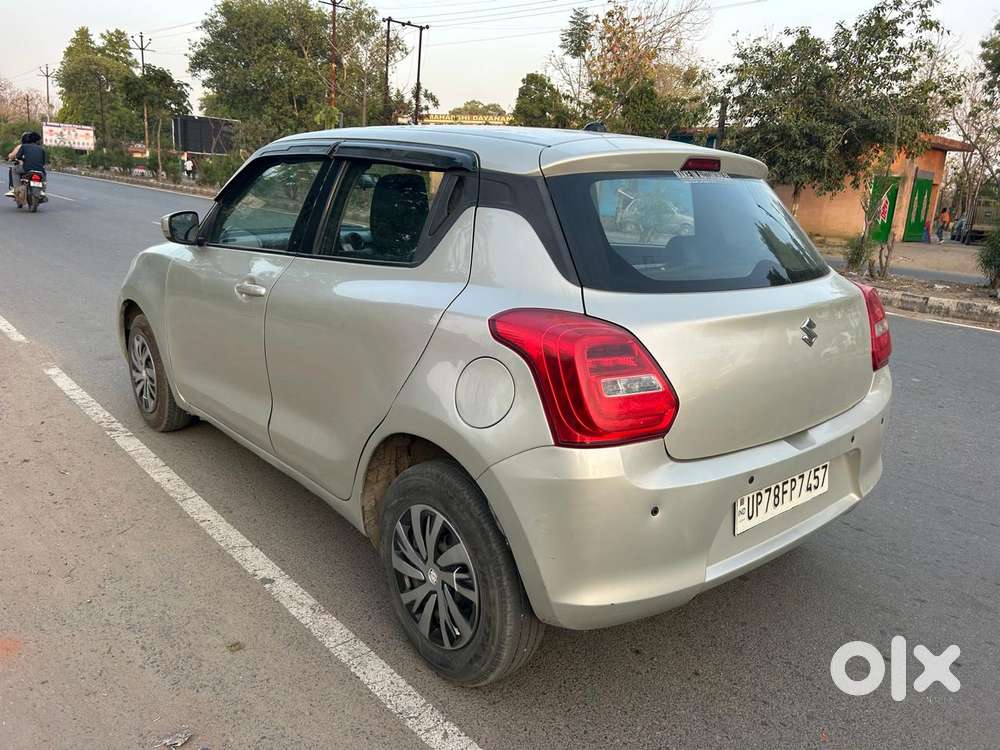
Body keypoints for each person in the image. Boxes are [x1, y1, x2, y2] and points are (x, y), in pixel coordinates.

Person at [6, 131, 46, 197]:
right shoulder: (41, 148)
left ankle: (17, 190)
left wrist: (22, 159)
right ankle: (42, 190)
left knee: (13, 170)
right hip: (40, 170)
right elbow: (43, 162)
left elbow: (17, 156)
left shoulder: (23, 146)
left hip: (26, 168)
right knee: (43, 176)